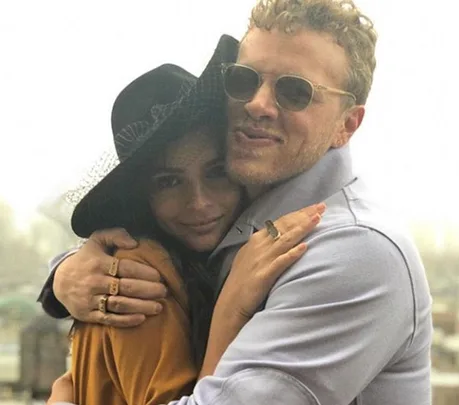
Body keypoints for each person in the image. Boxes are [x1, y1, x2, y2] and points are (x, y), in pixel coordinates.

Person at [44, 0, 433, 404]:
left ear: (346, 124)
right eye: (245, 80)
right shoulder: (241, 217)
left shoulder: (353, 252)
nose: (258, 104)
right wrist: (64, 275)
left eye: (295, 91)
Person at [53, 44, 324, 405]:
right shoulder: (137, 284)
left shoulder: (196, 266)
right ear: (142, 196)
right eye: (169, 181)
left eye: (217, 173)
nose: (199, 203)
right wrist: (232, 308)